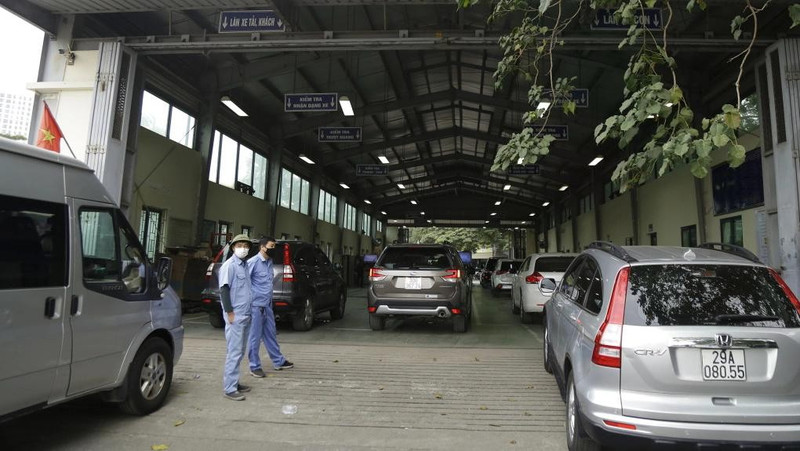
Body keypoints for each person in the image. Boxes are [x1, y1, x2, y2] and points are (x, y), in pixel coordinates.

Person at [247, 236, 293, 377]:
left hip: (267, 305)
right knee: (254, 337)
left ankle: (278, 361)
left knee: (270, 334)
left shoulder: (269, 262)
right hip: (255, 306)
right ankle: (254, 366)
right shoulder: (252, 263)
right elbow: (244, 285)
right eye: (271, 246)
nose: (273, 249)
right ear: (262, 247)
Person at [219, 234, 254, 401]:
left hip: (246, 315)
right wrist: (229, 312)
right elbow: (224, 290)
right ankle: (230, 388)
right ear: (233, 247)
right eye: (239, 245)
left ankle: (235, 382)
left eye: (245, 245)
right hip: (235, 316)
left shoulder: (245, 266)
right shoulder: (230, 266)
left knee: (239, 351)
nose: (243, 248)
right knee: (234, 352)